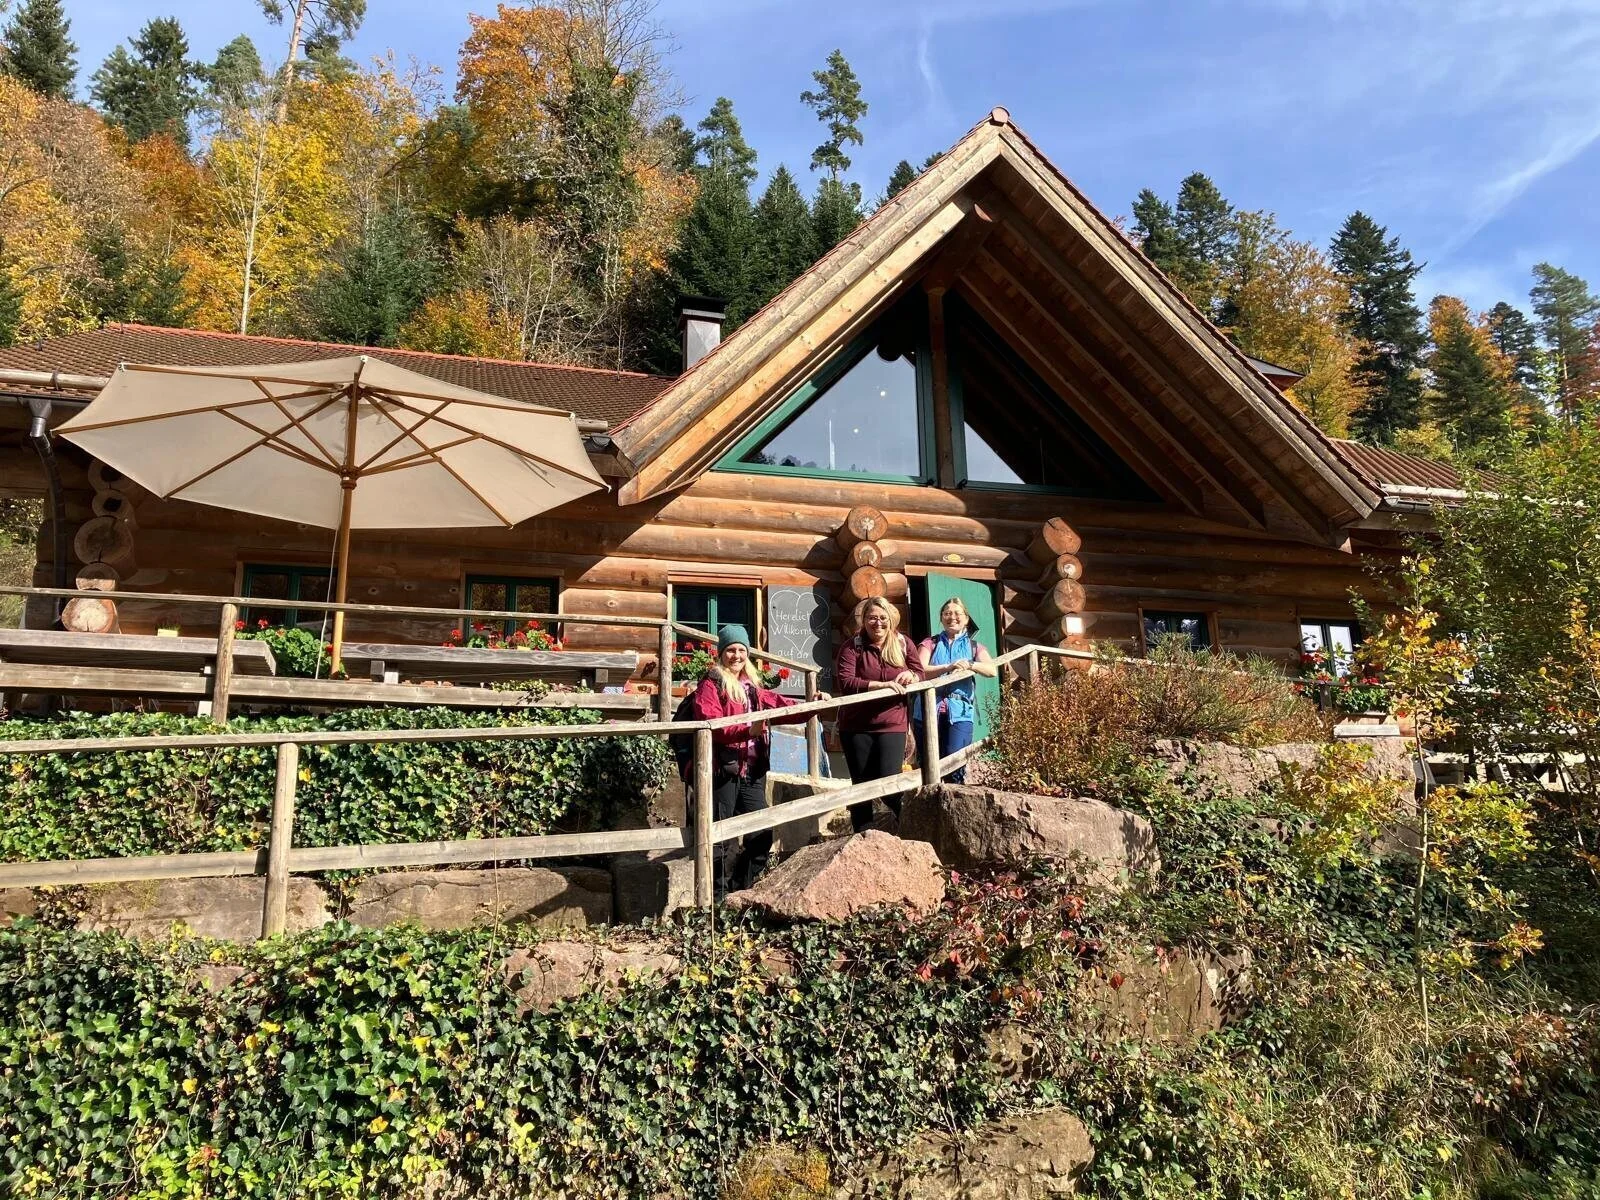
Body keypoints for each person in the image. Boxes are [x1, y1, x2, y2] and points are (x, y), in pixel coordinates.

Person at [687, 624, 809, 897]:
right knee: (720, 838)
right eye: (731, 650)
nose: (736, 655)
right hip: (723, 770)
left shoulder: (752, 686)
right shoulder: (711, 683)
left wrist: (811, 704)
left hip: (752, 771)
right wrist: (747, 729)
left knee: (762, 834)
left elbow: (779, 704)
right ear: (721, 653)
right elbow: (711, 724)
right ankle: (714, 902)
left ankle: (739, 891)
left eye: (741, 650)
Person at [834, 596, 924, 832]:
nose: (878, 623)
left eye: (883, 618)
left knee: (889, 780)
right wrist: (881, 685)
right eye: (872, 617)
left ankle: (912, 827)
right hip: (856, 725)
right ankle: (862, 837)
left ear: (891, 620)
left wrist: (911, 677)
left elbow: (919, 672)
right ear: (864, 620)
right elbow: (846, 682)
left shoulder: (903, 643)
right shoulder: (852, 646)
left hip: (892, 722)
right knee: (862, 784)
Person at [914, 596, 998, 785]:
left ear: (966, 618)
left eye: (957, 613)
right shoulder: (930, 643)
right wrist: (948, 667)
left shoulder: (974, 646)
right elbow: (919, 671)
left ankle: (952, 804)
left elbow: (991, 670)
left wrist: (970, 664)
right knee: (928, 763)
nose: (952, 617)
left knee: (955, 762)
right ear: (941, 618)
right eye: (947, 613)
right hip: (927, 710)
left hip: (960, 712)